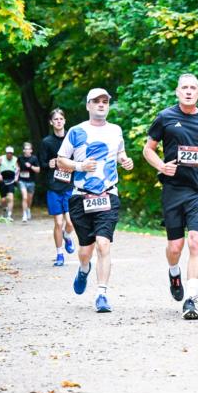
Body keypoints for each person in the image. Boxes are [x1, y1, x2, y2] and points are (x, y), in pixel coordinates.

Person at [142, 73, 198, 320]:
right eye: (184, 88)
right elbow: (148, 149)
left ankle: (191, 299)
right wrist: (160, 166)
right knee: (175, 247)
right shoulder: (165, 118)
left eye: (193, 88)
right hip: (173, 190)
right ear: (177, 92)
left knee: (196, 241)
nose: (189, 91)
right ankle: (173, 272)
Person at [56, 88, 134, 313]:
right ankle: (83, 268)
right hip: (81, 196)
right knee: (85, 250)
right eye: (96, 101)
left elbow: (120, 154)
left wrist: (125, 161)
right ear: (88, 105)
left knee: (103, 244)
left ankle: (102, 294)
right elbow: (61, 160)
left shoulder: (116, 130)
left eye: (105, 101)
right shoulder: (76, 131)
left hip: (108, 194)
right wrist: (80, 166)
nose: (101, 104)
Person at [40, 109, 77, 266]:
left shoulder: (72, 139)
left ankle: (68, 236)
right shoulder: (46, 142)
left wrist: (73, 166)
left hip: (70, 186)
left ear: (65, 121)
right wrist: (48, 164)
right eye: (55, 119)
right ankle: (59, 254)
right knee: (58, 222)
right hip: (54, 187)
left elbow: (79, 159)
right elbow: (41, 164)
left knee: (70, 222)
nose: (59, 121)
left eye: (61, 118)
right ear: (51, 122)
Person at [17, 142, 41, 223]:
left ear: (31, 150)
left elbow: (38, 170)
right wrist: (16, 175)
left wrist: (30, 166)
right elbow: (17, 167)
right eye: (25, 149)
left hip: (31, 181)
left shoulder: (34, 158)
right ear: (23, 150)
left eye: (29, 149)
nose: (27, 150)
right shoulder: (20, 158)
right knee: (24, 197)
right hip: (22, 181)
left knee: (29, 199)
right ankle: (24, 215)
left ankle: (28, 209)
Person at [0, 146, 20, 221]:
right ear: (6, 153)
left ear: (12, 153)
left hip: (11, 180)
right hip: (2, 180)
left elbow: (18, 169)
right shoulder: (1, 158)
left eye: (11, 153)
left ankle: (9, 215)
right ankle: (4, 209)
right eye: (8, 153)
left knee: (11, 197)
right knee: (3, 199)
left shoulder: (15, 159)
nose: (9, 155)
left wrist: (16, 177)